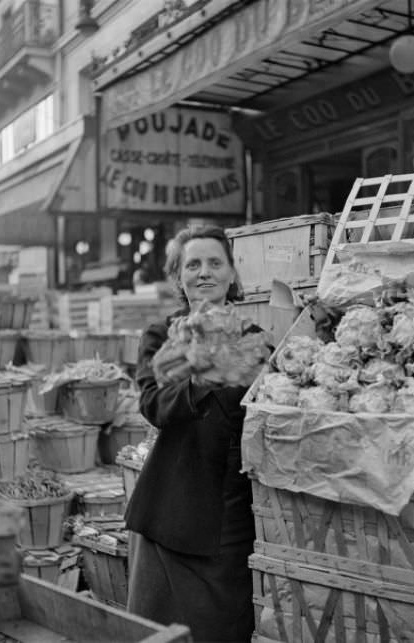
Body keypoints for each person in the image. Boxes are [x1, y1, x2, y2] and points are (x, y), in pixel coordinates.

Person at [125, 225, 264, 643]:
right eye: (193, 264)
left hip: (233, 523)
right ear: (179, 276)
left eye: (215, 263)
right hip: (172, 517)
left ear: (233, 274)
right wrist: (203, 378)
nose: (204, 273)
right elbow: (153, 404)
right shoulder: (162, 336)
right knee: (160, 636)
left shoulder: (255, 340)